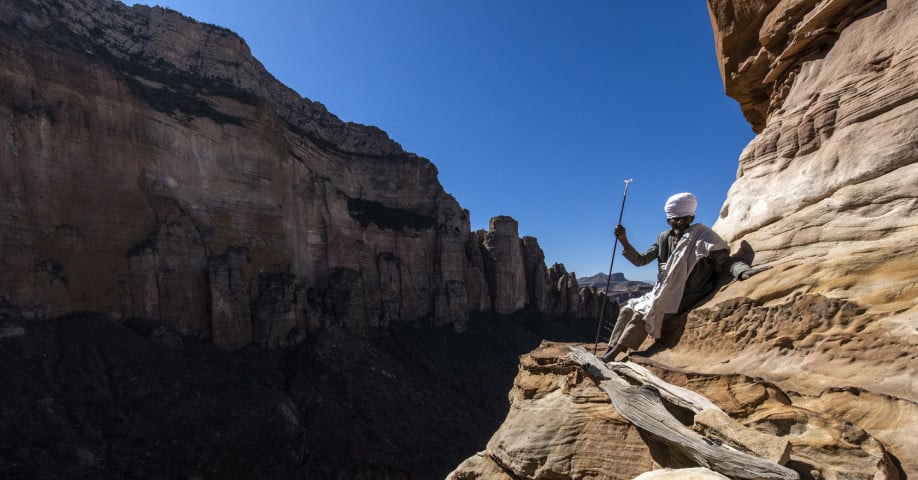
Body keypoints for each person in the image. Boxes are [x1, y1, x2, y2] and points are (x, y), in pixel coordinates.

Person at [599, 192, 769, 362]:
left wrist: (742, 270)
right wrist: (623, 240)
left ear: (692, 217)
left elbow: (724, 260)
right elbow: (640, 261)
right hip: (664, 290)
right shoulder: (664, 238)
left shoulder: (703, 237)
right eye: (676, 219)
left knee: (644, 314)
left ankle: (612, 356)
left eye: (685, 218)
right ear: (668, 220)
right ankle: (609, 349)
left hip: (688, 293)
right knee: (627, 309)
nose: (681, 222)